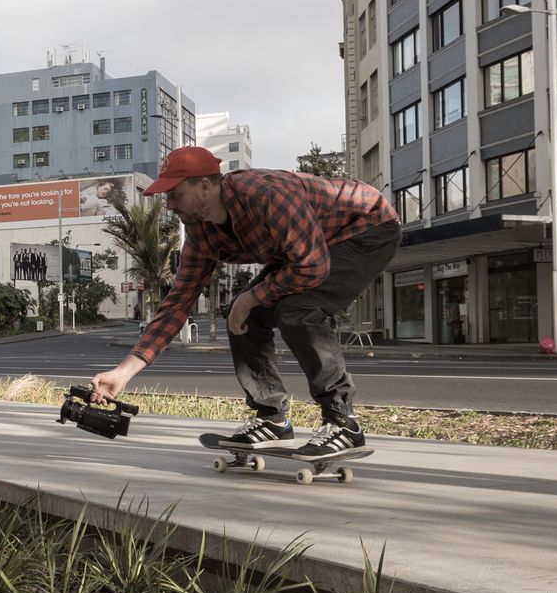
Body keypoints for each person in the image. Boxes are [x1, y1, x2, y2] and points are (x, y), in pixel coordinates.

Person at [91, 146, 401, 460]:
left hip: (365, 227)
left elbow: (312, 268)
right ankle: (271, 418)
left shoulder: (267, 196)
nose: (169, 205)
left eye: (174, 194)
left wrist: (251, 297)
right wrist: (123, 373)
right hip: (310, 247)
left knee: (297, 309)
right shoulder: (200, 233)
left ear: (204, 186)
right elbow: (178, 303)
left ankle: (343, 423)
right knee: (243, 317)